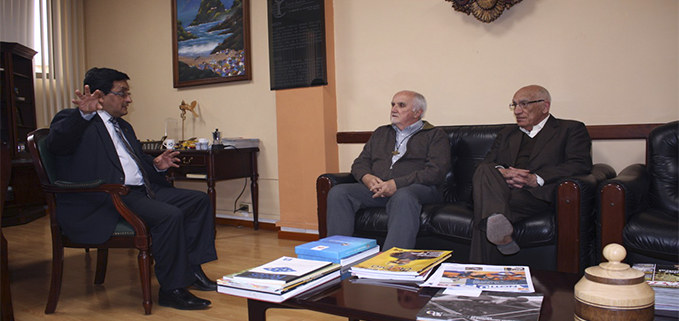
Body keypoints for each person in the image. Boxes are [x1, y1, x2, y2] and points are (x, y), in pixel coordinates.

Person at [46, 67, 218, 310]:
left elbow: (133, 162)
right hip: (108, 197)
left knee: (198, 201)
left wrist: (156, 165)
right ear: (100, 96)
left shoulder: (123, 126)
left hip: (139, 191)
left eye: (128, 93)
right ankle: (172, 290)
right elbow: (57, 144)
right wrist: (82, 115)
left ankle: (192, 269)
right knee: (169, 216)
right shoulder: (73, 120)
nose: (129, 99)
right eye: (123, 93)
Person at [470, 85, 592, 263]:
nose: (518, 111)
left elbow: (580, 164)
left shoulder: (570, 129)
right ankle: (497, 225)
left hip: (535, 195)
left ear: (544, 106)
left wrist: (536, 179)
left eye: (524, 104)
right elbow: (486, 164)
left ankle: (478, 274)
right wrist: (503, 174)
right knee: (484, 171)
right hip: (501, 190)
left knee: (486, 209)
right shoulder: (506, 134)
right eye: (514, 105)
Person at [326, 90, 451, 250]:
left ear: (417, 112)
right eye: (393, 104)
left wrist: (397, 184)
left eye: (401, 105)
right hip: (379, 189)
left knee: (403, 196)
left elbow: (435, 172)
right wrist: (367, 177)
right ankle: (336, 254)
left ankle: (390, 262)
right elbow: (359, 163)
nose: (394, 109)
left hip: (420, 190)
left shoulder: (434, 135)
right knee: (339, 192)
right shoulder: (381, 133)